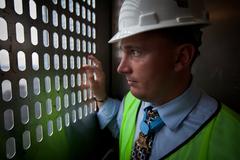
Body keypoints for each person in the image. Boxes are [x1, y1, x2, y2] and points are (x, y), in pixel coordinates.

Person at [83, 0, 240, 159]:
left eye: (135, 52)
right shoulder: (132, 100)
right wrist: (101, 97)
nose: (121, 68)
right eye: (123, 52)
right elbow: (121, 127)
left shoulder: (231, 138)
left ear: (181, 58)